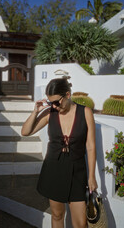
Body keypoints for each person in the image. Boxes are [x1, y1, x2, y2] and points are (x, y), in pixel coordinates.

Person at [21, 76, 98, 228]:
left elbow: (90, 146)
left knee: (81, 223)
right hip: (53, 168)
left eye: (56, 102)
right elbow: (25, 132)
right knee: (57, 215)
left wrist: (91, 176)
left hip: (77, 170)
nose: (54, 106)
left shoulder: (86, 112)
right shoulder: (50, 113)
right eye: (51, 102)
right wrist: (35, 111)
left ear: (67, 95)